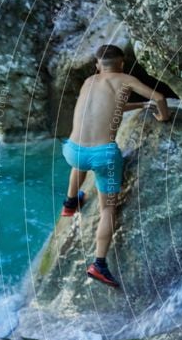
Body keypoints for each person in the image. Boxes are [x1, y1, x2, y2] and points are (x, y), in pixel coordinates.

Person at [60, 44, 170, 288]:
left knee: (81, 161)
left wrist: (139, 106)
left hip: (72, 152)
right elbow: (159, 98)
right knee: (108, 209)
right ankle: (99, 264)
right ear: (121, 64)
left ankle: (70, 202)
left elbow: (108, 111)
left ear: (98, 65)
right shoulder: (125, 78)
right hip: (103, 157)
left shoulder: (89, 81)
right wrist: (163, 116)